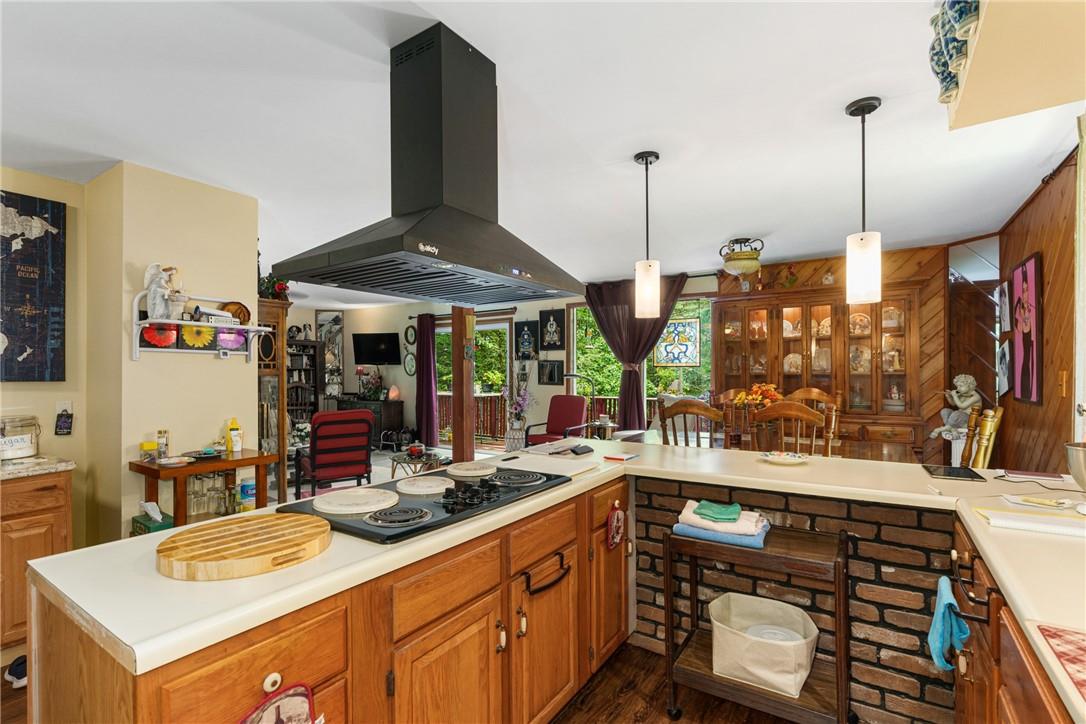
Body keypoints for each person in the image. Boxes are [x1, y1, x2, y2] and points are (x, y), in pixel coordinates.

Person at [1013, 268, 1034, 400]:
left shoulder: (1030, 311)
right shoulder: (1024, 311)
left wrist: (1024, 313)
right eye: (1023, 290)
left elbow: (1026, 327)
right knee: (1025, 365)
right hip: (1025, 359)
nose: (1025, 294)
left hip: (1029, 355)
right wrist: (1020, 314)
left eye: (1027, 290)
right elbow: (1021, 328)